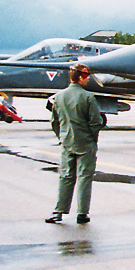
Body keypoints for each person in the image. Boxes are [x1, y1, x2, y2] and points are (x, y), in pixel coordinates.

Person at [46, 64, 104, 224]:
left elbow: (54, 122)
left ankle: (58, 211)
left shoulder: (58, 97)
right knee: (85, 177)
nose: (88, 79)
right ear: (80, 77)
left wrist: (62, 137)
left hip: (66, 142)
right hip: (85, 143)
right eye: (86, 76)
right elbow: (96, 122)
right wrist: (92, 138)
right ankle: (82, 213)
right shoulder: (88, 97)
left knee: (65, 176)